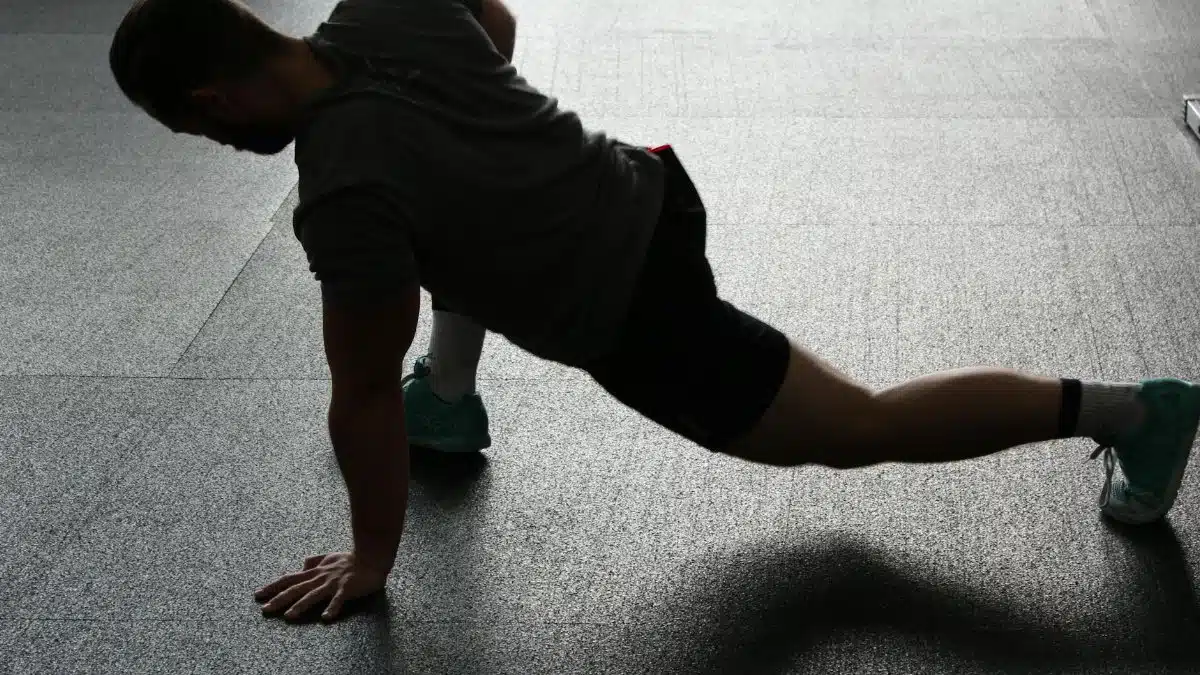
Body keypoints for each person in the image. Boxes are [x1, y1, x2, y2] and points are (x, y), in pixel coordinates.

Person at [108, 0, 1200, 624]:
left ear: (209, 102)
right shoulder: (387, 9)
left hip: (634, 310)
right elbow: (492, 16)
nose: (209, 144)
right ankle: (449, 396)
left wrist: (373, 558)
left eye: (196, 132)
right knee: (450, 223)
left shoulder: (344, 196)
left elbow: (354, 396)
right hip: (647, 183)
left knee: (858, 430)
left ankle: (1132, 413)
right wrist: (476, 133)